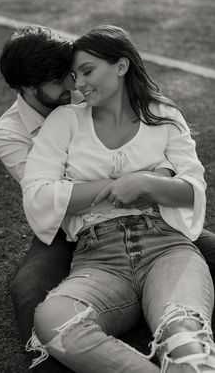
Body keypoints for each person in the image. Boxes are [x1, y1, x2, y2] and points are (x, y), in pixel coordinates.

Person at [21, 25, 215, 372]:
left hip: (166, 246)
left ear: (121, 66)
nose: (78, 84)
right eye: (74, 75)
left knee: (184, 335)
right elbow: (37, 196)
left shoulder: (164, 116)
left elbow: (192, 189)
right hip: (98, 258)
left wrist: (144, 183)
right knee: (53, 320)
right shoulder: (64, 121)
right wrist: (128, 182)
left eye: (87, 71)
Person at [0, 25, 84, 372]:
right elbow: (52, 193)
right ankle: (50, 362)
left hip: (124, 208)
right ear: (29, 86)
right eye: (60, 81)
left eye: (70, 75)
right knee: (28, 288)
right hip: (64, 224)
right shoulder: (10, 131)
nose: (72, 87)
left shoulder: (83, 94)